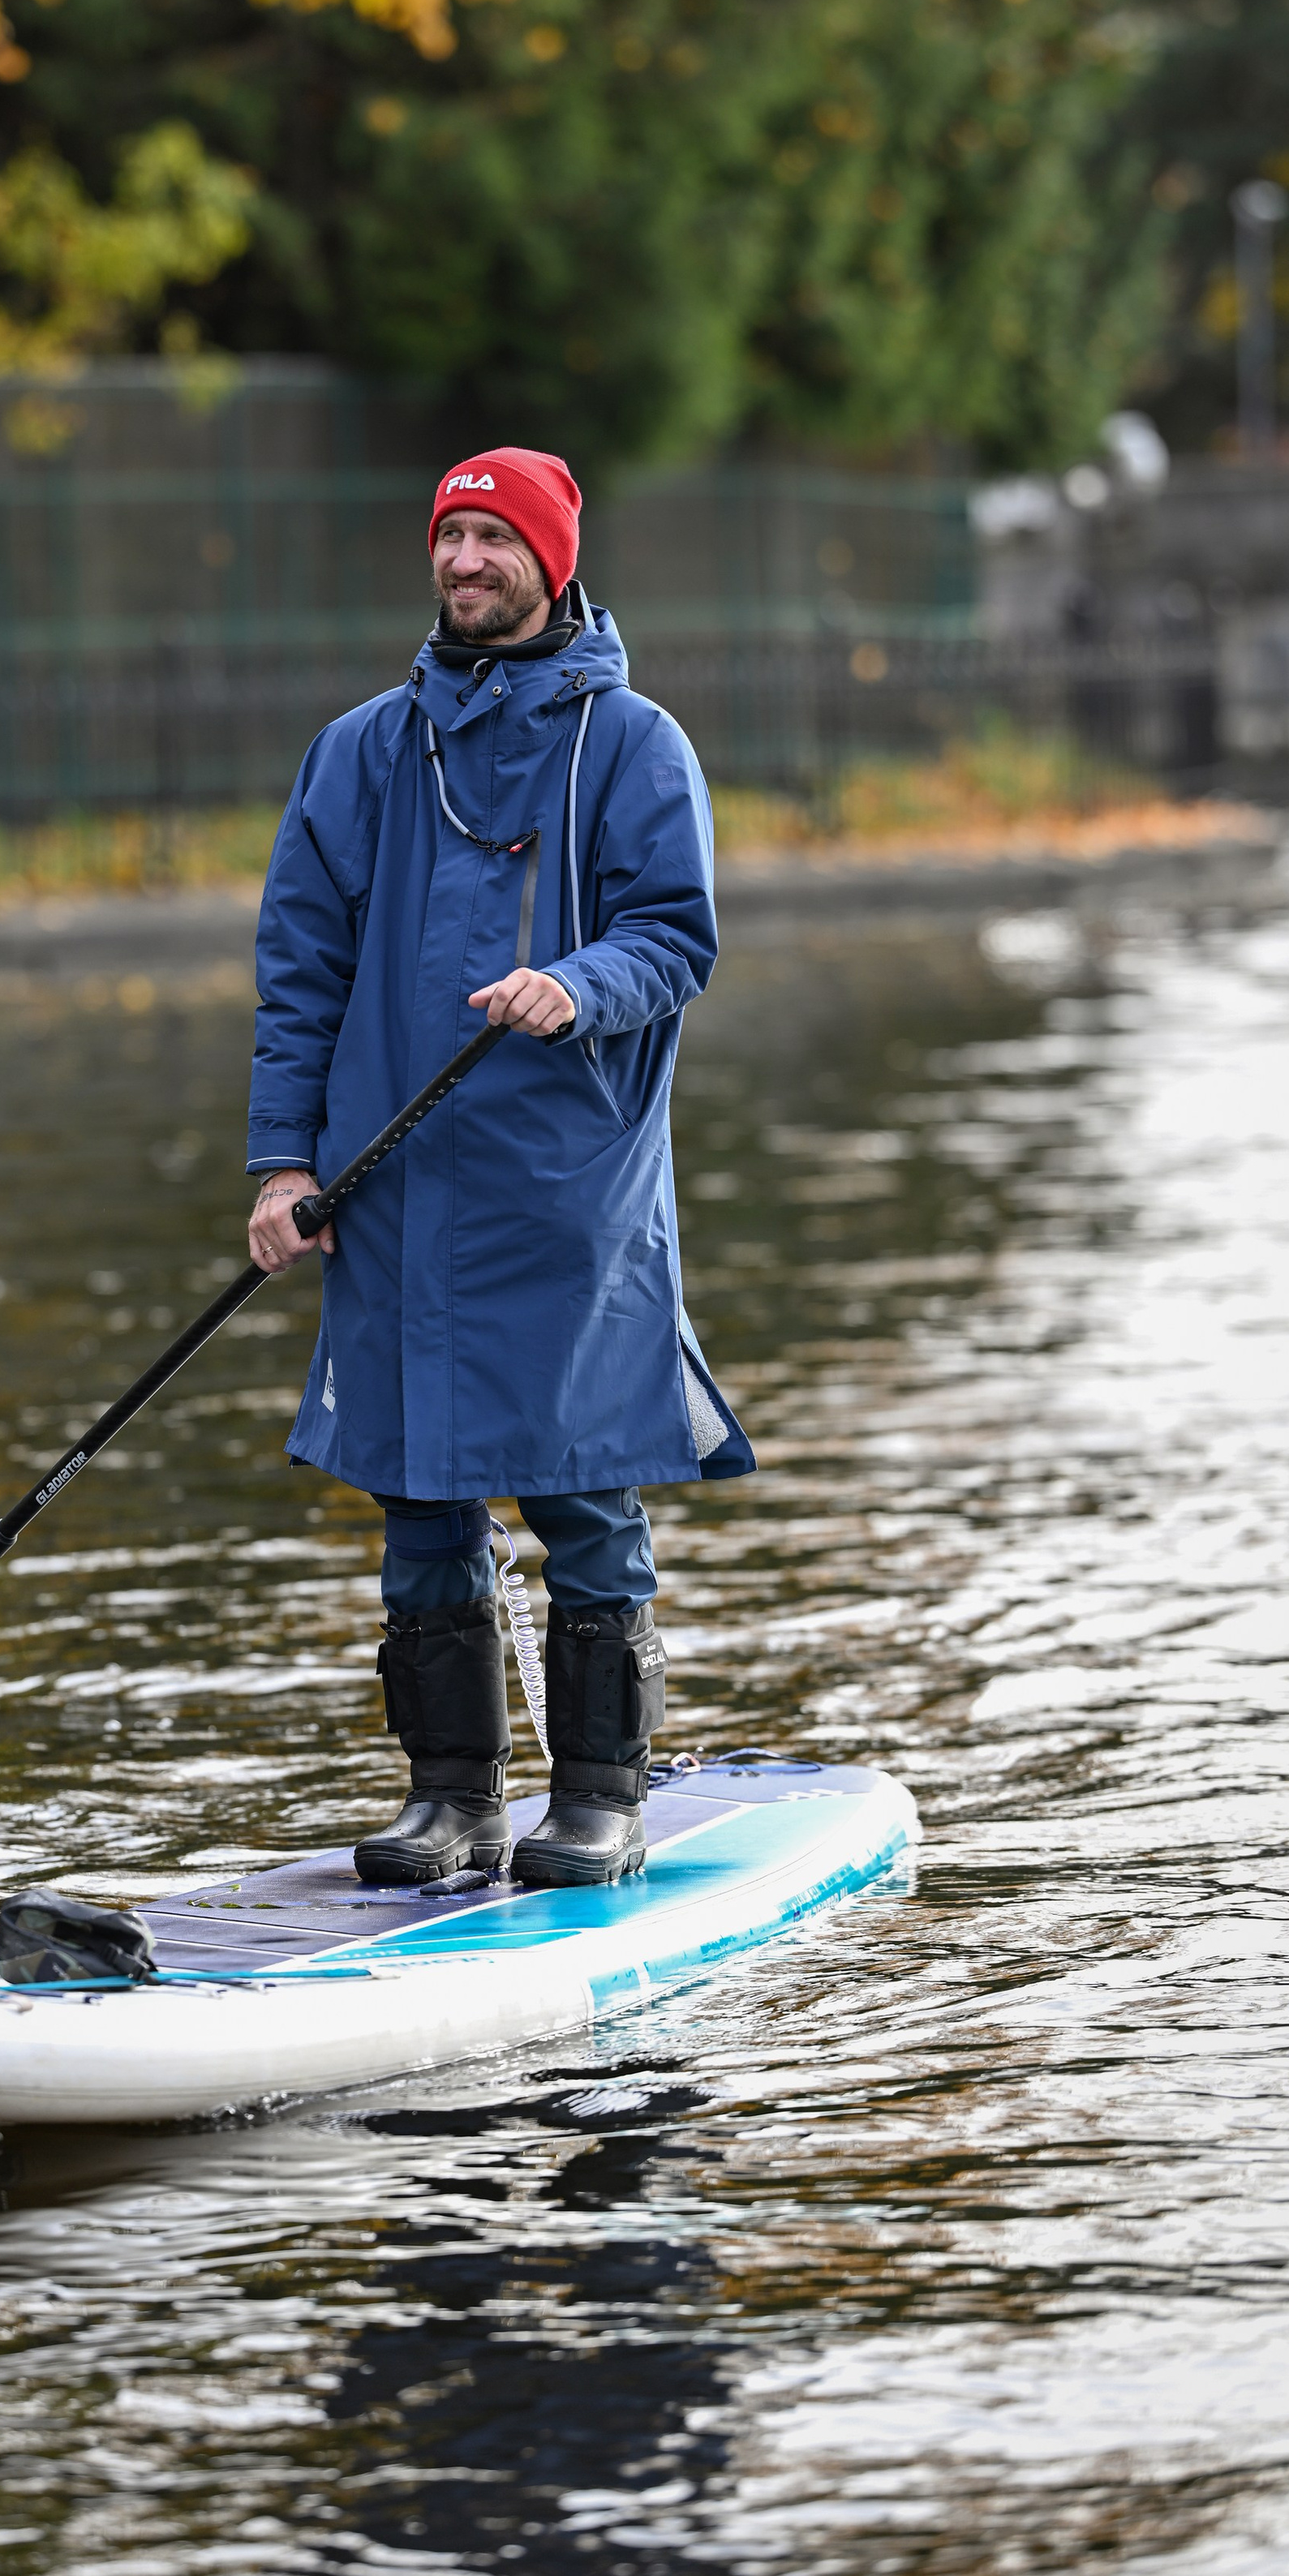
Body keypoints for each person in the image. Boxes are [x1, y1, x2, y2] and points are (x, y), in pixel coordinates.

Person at [246, 447, 753, 1890]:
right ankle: (452, 1799)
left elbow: (676, 939)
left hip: (567, 1188)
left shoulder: (637, 744)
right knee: (419, 1492)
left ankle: (599, 1796)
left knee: (583, 1483)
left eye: (492, 538)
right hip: (391, 1188)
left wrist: (576, 985)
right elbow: (301, 975)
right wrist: (284, 1165)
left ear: (552, 560)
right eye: (449, 536)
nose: (464, 561)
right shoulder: (357, 752)